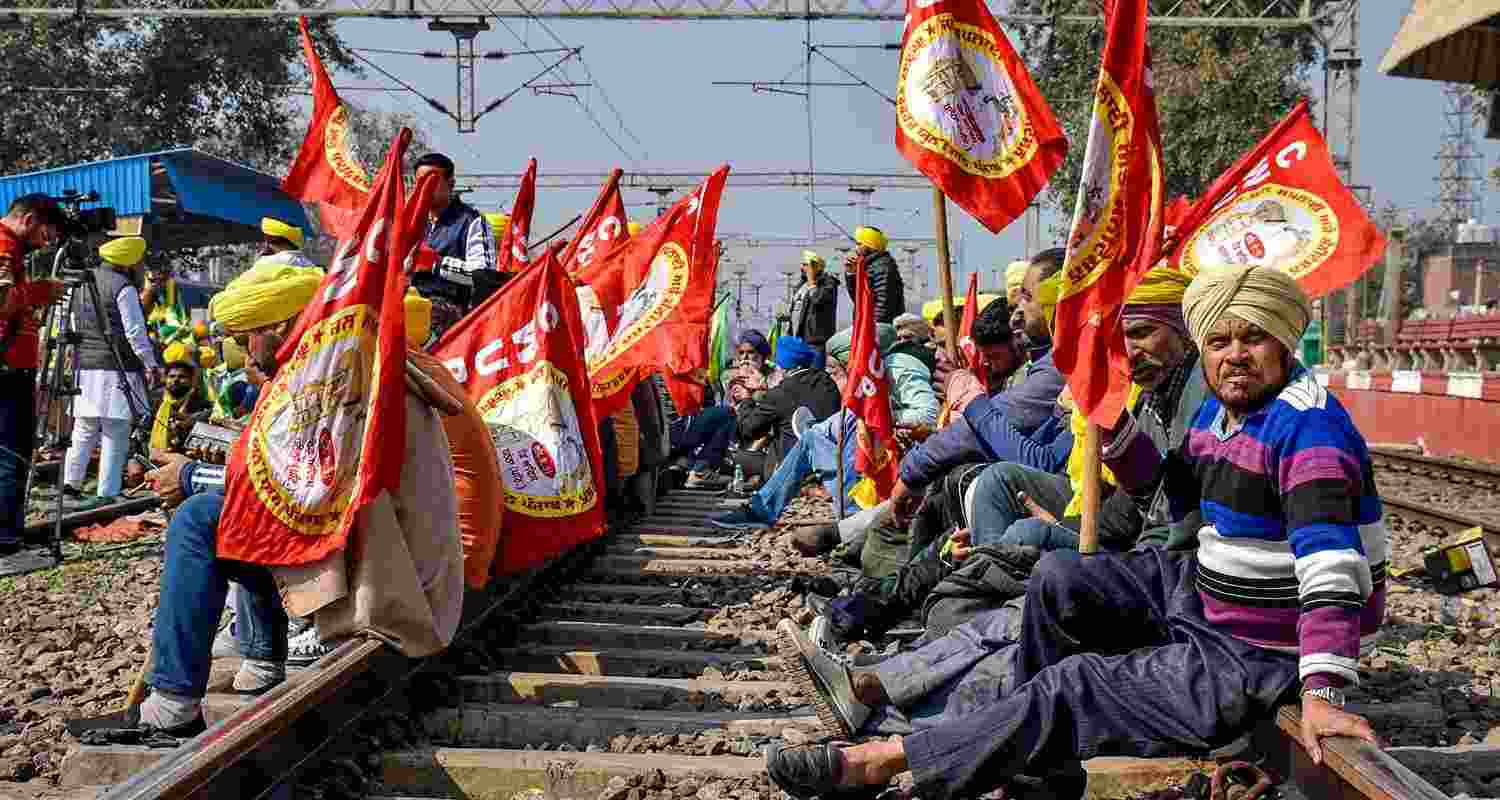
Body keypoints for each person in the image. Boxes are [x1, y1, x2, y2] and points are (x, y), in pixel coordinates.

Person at [767, 263, 1386, 800]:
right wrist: (1113, 429)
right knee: (1061, 579)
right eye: (1220, 340)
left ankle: (879, 763)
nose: (1233, 355)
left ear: (1284, 342)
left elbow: (1333, 568)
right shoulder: (1225, 413)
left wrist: (1323, 690)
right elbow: (1171, 489)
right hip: (1203, 596)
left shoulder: (1309, 434)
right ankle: (1038, 770)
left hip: (1254, 650)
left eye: (1252, 338)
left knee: (1076, 683)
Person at [139, 262, 465, 732]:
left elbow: (288, 486)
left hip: (397, 580)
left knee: (200, 519)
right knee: (234, 519)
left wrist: (189, 476)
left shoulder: (333, 374)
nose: (247, 351)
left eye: (250, 336)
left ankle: (171, 704)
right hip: (393, 556)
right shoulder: (351, 358)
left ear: (276, 327)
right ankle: (263, 661)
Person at [709, 323, 940, 534]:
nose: (840, 373)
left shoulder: (900, 368)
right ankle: (764, 510)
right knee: (816, 435)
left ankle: (851, 515)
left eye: (840, 366)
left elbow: (928, 415)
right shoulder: (856, 377)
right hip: (870, 456)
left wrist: (876, 413)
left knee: (846, 425)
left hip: (900, 460)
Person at [59, 237, 161, 506]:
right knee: (115, 430)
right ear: (128, 261)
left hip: (85, 366)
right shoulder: (123, 286)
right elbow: (135, 333)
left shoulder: (78, 282)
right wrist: (150, 364)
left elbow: (67, 321)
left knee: (84, 427)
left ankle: (70, 485)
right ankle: (107, 492)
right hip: (117, 368)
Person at [0, 195, 68, 568]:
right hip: (7, 370)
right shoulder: (5, 245)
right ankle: (8, 545)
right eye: (45, 234)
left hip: (10, 365)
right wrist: (40, 291)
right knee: (11, 453)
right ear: (27, 219)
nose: (46, 243)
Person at [411, 152, 497, 312]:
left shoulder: (473, 221)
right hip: (405, 315)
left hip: (451, 320)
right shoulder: (409, 222)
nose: (424, 189)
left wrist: (436, 263)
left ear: (451, 184)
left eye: (431, 182)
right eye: (419, 183)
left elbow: (486, 278)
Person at [148, 357, 213, 461]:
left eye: (182, 377)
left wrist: (189, 420)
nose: (176, 380)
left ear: (191, 380)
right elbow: (140, 432)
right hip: (153, 459)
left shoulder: (203, 406)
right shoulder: (154, 403)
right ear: (165, 379)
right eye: (171, 376)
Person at [844, 227, 905, 325]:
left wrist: (873, 326)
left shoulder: (883, 266)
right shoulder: (869, 266)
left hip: (879, 326)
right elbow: (858, 299)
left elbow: (884, 302)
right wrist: (852, 274)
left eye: (859, 244)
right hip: (869, 325)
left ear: (871, 245)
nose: (856, 249)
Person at [786, 251, 840, 350]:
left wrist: (811, 281)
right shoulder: (802, 284)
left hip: (815, 341)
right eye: (802, 264)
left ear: (815, 267)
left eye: (806, 265)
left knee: (814, 366)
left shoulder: (828, 283)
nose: (802, 268)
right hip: (797, 338)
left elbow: (818, 300)